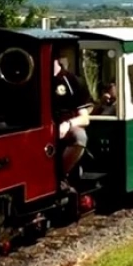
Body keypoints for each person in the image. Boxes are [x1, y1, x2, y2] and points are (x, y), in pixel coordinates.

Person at [52, 56, 93, 192]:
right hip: (43, 128)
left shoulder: (72, 81)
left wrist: (68, 124)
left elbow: (85, 118)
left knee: (80, 137)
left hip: (64, 126)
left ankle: (59, 176)